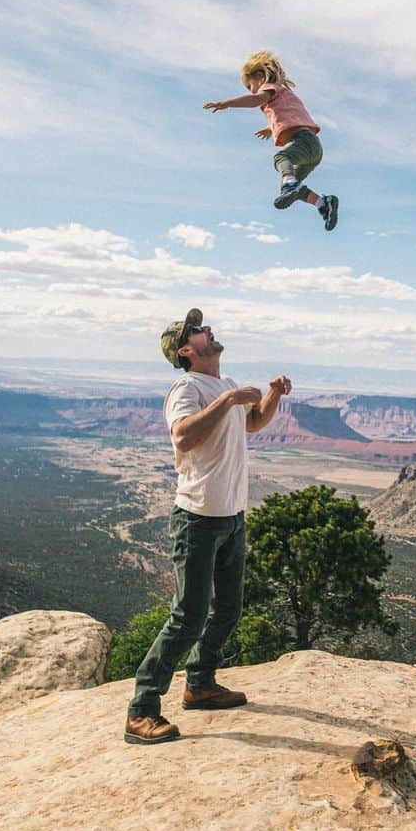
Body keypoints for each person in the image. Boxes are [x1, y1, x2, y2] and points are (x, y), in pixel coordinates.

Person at [124, 307, 292, 745]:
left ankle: (199, 684)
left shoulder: (226, 385)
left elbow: (251, 423)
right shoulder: (186, 386)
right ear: (186, 350)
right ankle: (141, 710)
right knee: (189, 616)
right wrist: (228, 400)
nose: (207, 330)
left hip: (231, 518)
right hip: (197, 519)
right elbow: (182, 436)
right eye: (198, 330)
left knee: (229, 609)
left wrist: (271, 396)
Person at [204, 50, 339, 231]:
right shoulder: (285, 95)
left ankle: (291, 186)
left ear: (259, 77)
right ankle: (323, 203)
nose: (251, 90)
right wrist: (271, 128)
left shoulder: (270, 88)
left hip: (303, 141)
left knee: (281, 159)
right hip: (313, 148)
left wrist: (225, 103)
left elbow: (255, 100)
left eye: (249, 86)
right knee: (291, 188)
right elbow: (291, 115)